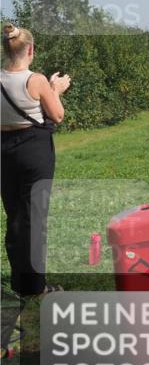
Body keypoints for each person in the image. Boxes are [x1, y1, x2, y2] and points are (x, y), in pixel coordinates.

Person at [1, 23, 71, 297]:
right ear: (30, 50)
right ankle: (36, 287)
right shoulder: (36, 80)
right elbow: (57, 115)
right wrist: (56, 89)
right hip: (33, 151)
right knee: (34, 218)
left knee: (15, 216)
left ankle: (21, 282)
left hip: (4, 151)